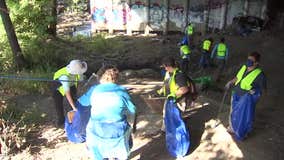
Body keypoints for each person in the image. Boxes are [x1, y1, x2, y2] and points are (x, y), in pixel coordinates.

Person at [86, 65, 136, 160]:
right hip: (117, 129)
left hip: (96, 129)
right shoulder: (122, 91)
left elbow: (87, 103)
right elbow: (132, 110)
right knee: (128, 139)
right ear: (116, 78)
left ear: (100, 77)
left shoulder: (95, 90)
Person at [225, 52, 266, 140]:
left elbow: (261, 89)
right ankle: (232, 128)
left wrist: (255, 91)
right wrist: (230, 82)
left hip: (245, 99)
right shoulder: (244, 67)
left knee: (243, 116)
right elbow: (237, 77)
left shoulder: (259, 74)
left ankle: (242, 132)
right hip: (235, 93)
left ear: (256, 63)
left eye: (251, 60)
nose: (248, 61)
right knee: (232, 112)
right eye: (248, 59)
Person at [157, 56, 197, 131]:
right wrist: (161, 91)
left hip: (179, 100)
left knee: (176, 117)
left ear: (169, 66)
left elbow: (184, 89)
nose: (165, 69)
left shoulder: (179, 75)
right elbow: (167, 84)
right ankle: (166, 130)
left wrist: (173, 95)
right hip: (170, 98)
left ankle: (179, 134)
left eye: (165, 67)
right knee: (166, 114)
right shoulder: (168, 73)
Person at [52, 60, 87, 126]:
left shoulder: (77, 70)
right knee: (58, 104)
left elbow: (81, 79)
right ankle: (61, 121)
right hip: (58, 88)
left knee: (74, 101)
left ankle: (75, 118)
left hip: (71, 84)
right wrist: (73, 107)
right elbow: (67, 94)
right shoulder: (64, 77)